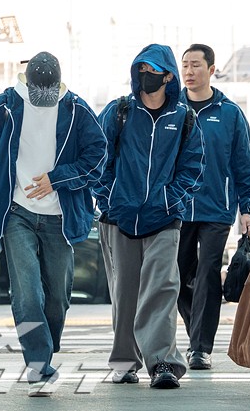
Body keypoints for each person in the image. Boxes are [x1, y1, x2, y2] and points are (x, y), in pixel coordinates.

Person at [0, 51, 106, 397]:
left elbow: (97, 157)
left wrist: (57, 179)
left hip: (60, 216)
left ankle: (44, 347)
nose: (43, 98)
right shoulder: (5, 105)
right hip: (16, 213)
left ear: (59, 84)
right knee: (27, 292)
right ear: (27, 82)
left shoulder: (76, 109)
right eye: (37, 91)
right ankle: (38, 365)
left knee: (58, 297)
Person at [94, 44, 203, 390]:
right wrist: (110, 198)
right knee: (125, 293)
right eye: (141, 68)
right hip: (119, 217)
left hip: (164, 219)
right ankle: (125, 363)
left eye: (153, 69)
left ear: (168, 76)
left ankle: (162, 363)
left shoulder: (184, 118)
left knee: (162, 289)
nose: (146, 75)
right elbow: (97, 158)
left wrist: (170, 199)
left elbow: (193, 168)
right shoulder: (119, 112)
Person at [176, 44, 250, 370]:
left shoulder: (230, 113)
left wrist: (248, 209)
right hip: (177, 207)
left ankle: (200, 347)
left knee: (208, 273)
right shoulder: (171, 108)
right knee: (177, 275)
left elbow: (243, 164)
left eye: (196, 65)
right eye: (185, 65)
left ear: (211, 70)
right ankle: (195, 327)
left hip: (217, 208)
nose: (189, 71)